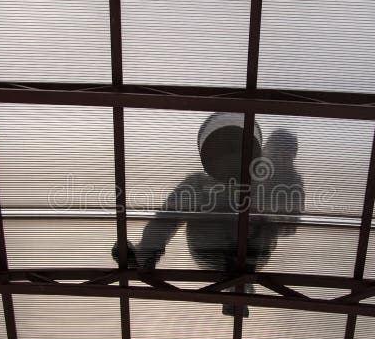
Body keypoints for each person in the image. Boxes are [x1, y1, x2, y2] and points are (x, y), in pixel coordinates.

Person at [113, 113, 304, 317]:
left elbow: (290, 225)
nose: (279, 158)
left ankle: (238, 284)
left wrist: (263, 217)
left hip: (251, 247)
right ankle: (146, 255)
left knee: (199, 187)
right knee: (194, 186)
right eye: (275, 150)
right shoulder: (225, 174)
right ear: (264, 149)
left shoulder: (290, 183)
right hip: (210, 241)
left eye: (286, 154)